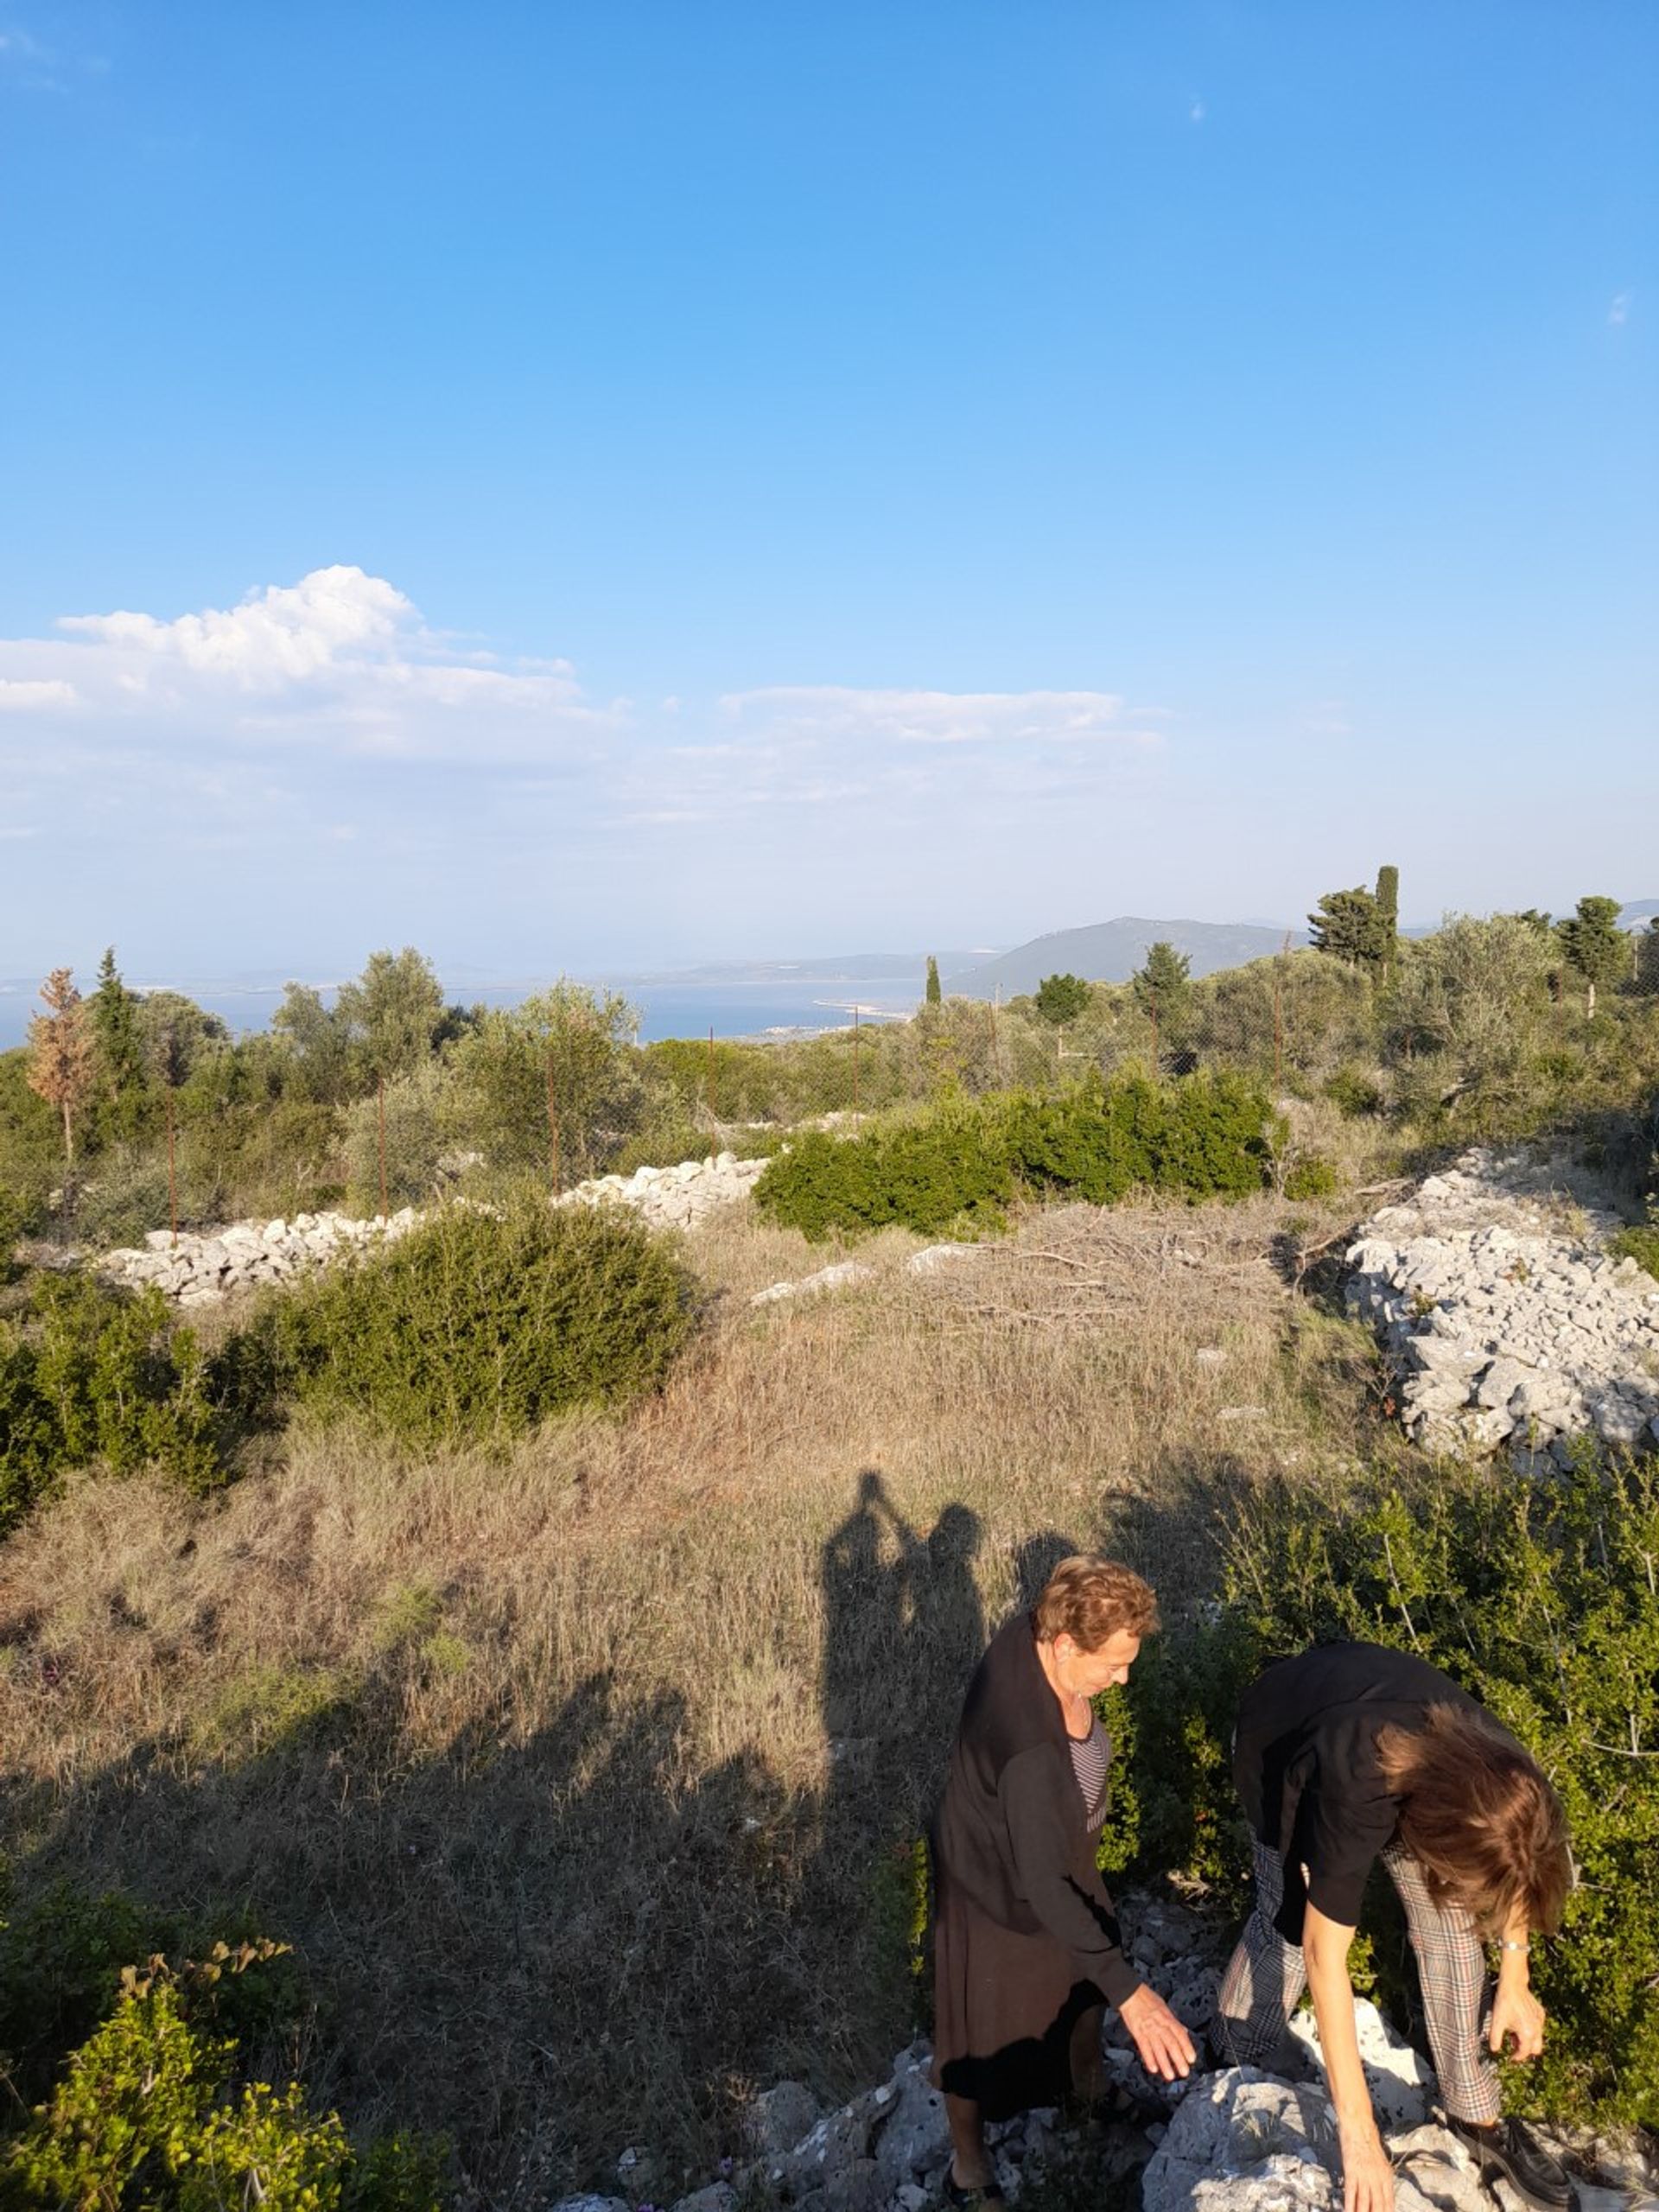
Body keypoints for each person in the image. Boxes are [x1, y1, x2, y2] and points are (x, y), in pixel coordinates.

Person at [1217, 1641, 1574, 2212]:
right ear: (1437, 1834)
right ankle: (1237, 2052)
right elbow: (1321, 1953)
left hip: (1391, 1743)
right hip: (1280, 1744)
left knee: (1454, 1930)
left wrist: (1515, 1973)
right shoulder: (1358, 1781)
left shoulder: (1508, 1774)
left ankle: (1476, 2117)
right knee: (1284, 1918)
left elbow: (1516, 1862)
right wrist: (1359, 2138)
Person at [931, 1556, 1195, 2202]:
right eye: (1113, 1665)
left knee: (1085, 1983)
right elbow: (1042, 1884)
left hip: (1059, 1858)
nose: (1124, 1679)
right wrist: (1136, 1996)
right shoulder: (1027, 1749)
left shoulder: (1037, 1632)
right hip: (992, 1890)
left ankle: (1089, 2092)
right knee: (972, 2034)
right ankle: (969, 2167)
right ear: (1066, 1645)